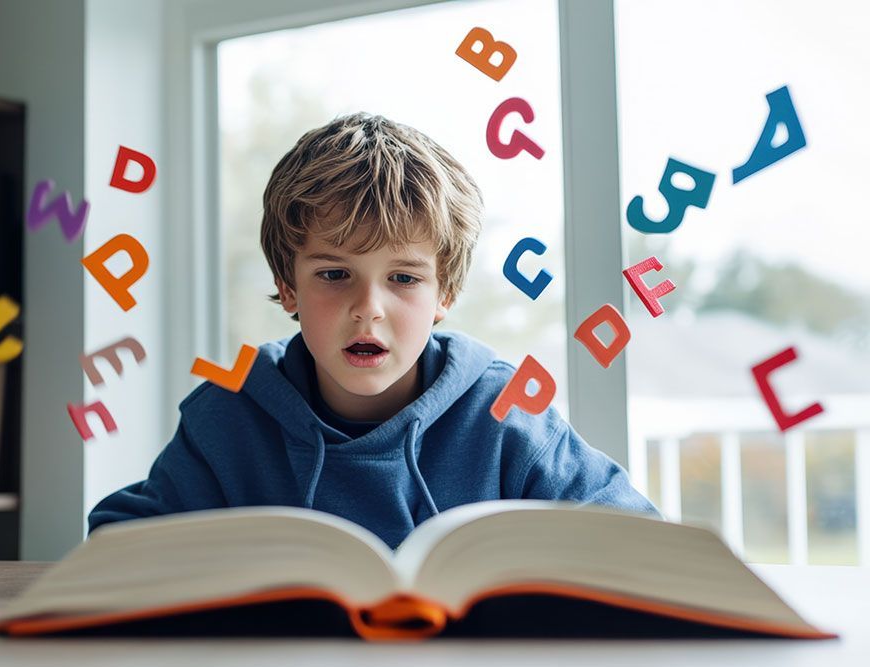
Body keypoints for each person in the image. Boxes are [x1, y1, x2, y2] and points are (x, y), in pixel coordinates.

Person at [87, 112, 661, 549]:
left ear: (446, 294)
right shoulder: (226, 415)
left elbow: (641, 542)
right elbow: (117, 543)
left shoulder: (508, 413)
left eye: (404, 278)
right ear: (288, 287)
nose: (369, 309)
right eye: (334, 274)